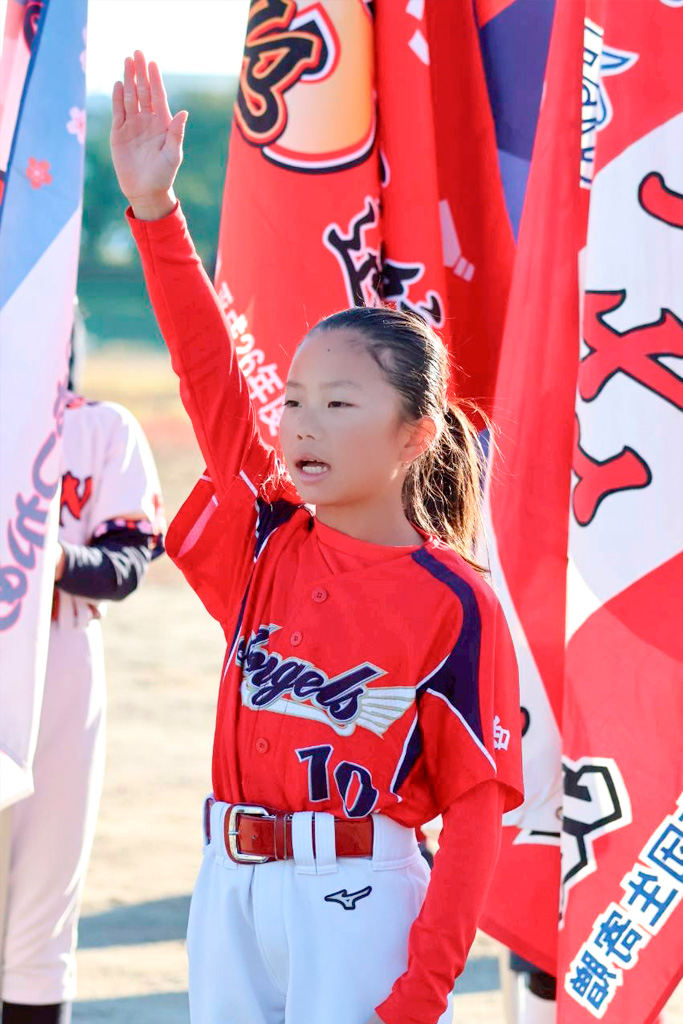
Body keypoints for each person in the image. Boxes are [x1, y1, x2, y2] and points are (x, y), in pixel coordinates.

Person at [109, 51, 524, 1024]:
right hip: (228, 883)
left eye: (338, 402)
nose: (300, 423)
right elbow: (211, 378)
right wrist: (156, 213)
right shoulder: (268, 538)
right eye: (293, 399)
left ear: (415, 434)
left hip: (357, 896)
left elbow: (472, 814)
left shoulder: (453, 602)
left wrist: (421, 990)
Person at [0, 309, 165, 1024]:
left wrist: (55, 558)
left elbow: (128, 562)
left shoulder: (100, 428)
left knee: (43, 894)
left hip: (58, 661)